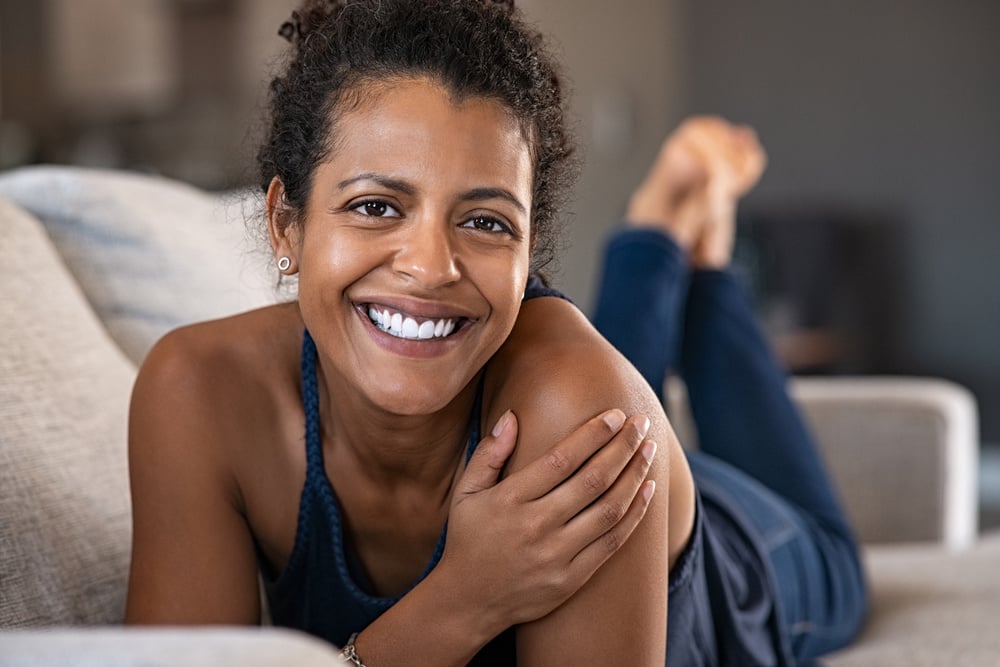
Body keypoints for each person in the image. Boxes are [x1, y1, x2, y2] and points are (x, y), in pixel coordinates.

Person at [125, 1, 866, 665]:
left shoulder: (582, 405)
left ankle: (697, 255)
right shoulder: (199, 389)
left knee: (834, 560)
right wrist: (465, 597)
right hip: (576, 428)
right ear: (286, 222)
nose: (430, 266)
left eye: (485, 222)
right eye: (377, 206)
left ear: (527, 250)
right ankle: (667, 236)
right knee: (594, 397)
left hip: (734, 551)